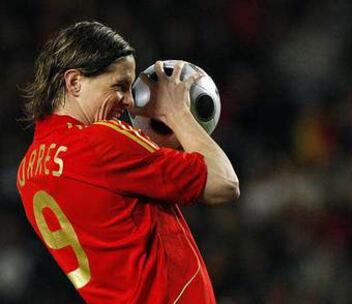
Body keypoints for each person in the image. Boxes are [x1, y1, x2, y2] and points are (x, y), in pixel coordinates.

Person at [16, 21, 239, 304]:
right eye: (120, 86)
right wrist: (177, 112)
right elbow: (224, 183)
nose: (130, 101)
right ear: (74, 82)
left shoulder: (27, 172)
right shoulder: (100, 141)